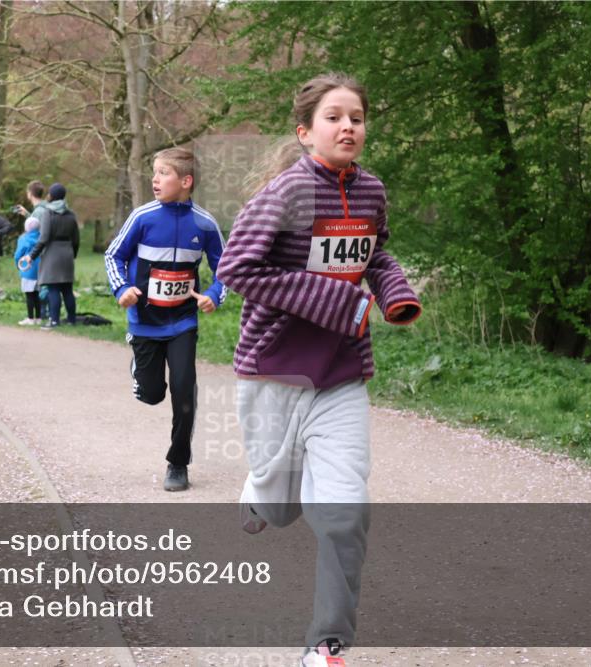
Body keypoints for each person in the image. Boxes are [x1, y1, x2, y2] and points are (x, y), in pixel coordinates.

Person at [215, 73, 422, 666]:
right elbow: (237, 269)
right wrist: (336, 301)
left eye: (356, 117)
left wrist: (393, 291)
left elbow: (375, 251)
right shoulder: (284, 194)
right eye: (333, 117)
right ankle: (260, 494)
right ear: (306, 132)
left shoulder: (373, 191)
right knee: (280, 511)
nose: (348, 127)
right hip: (273, 371)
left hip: (341, 374)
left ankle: (326, 644)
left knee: (342, 514)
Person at [104, 147, 227, 492]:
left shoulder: (204, 223)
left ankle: (178, 462)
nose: (155, 180)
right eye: (154, 173)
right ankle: (140, 372)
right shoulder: (143, 217)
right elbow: (114, 255)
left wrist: (214, 295)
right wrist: (122, 289)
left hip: (183, 321)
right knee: (153, 393)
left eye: (163, 173)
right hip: (144, 320)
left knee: (185, 389)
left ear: (185, 181)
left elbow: (227, 269)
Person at [25, 182, 79, 328]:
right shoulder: (71, 214)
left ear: (52, 195)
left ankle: (54, 320)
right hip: (67, 253)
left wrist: (32, 256)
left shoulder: (48, 213)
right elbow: (76, 238)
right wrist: (72, 254)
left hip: (52, 253)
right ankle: (71, 320)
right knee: (67, 289)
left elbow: (43, 238)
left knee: (53, 288)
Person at [14, 217, 42, 325]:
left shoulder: (23, 239)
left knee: (29, 295)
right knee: (37, 294)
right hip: (40, 270)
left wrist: (18, 265)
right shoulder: (41, 238)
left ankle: (30, 318)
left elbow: (18, 255)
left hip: (27, 270)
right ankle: (39, 318)